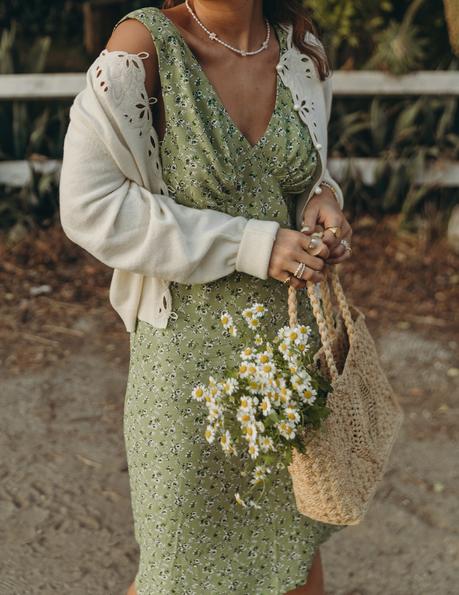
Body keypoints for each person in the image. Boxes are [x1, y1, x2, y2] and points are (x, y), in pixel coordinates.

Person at [60, 1, 353, 593]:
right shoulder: (144, 46)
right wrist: (251, 244)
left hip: (287, 356)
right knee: (178, 571)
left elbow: (303, 172)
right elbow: (89, 207)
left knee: (291, 562)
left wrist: (322, 202)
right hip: (186, 374)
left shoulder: (298, 47)